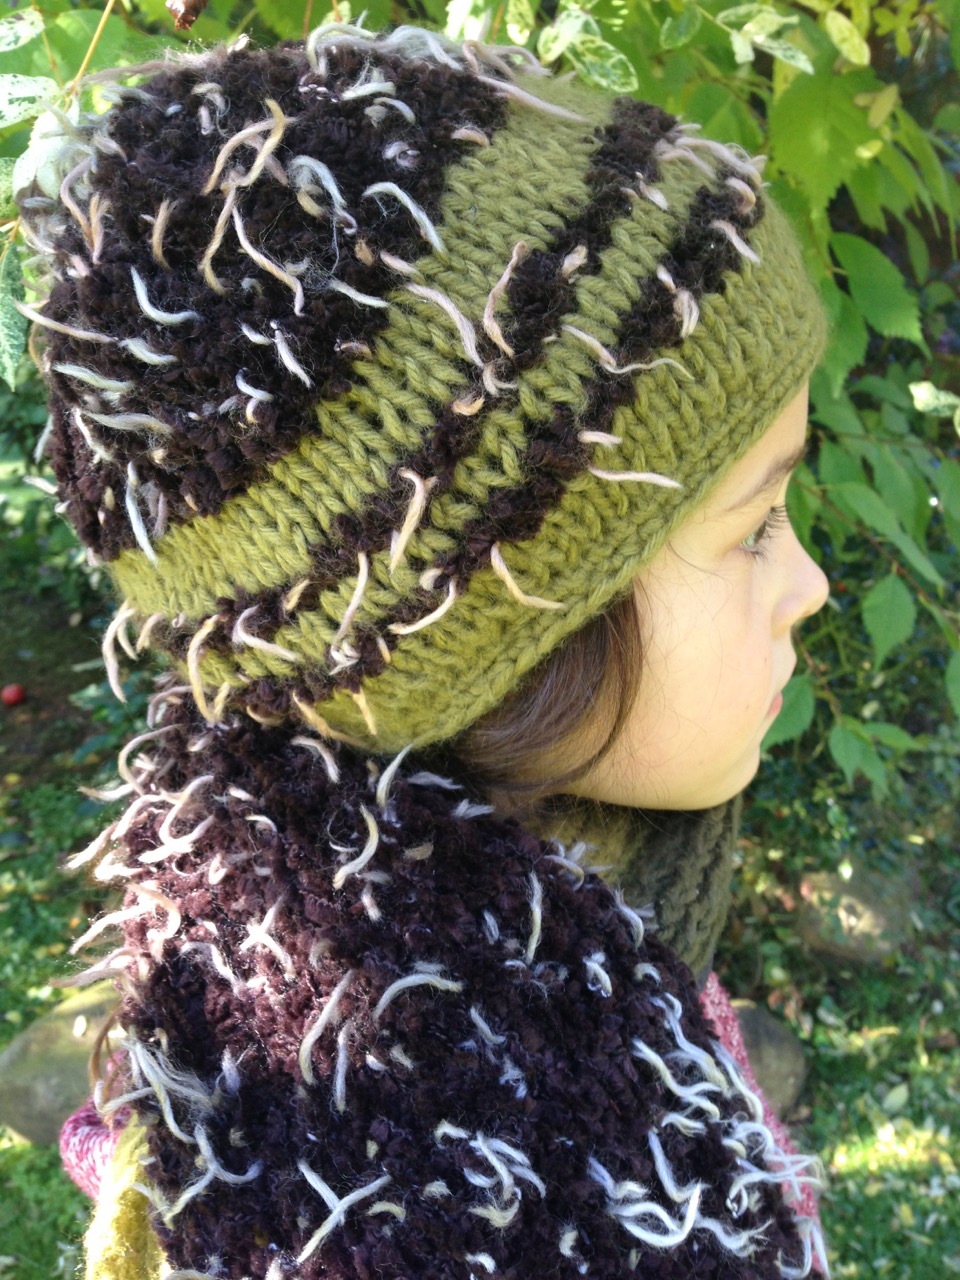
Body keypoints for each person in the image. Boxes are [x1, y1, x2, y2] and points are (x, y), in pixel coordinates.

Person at [18, 21, 831, 1279]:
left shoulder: (569, 919)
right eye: (754, 526)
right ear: (508, 638)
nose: (811, 585)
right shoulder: (451, 1205)